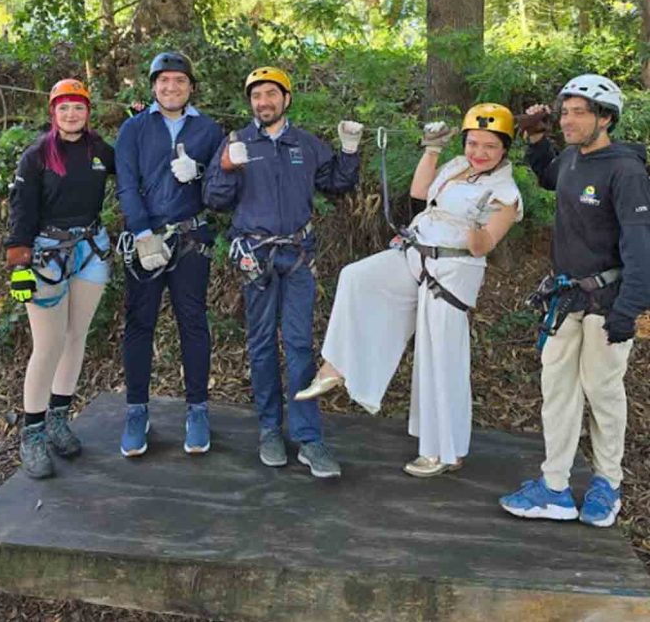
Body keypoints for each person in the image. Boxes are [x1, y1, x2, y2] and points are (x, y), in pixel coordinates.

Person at [295, 104, 523, 477]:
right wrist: (432, 151)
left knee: (439, 356)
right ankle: (336, 366)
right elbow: (420, 193)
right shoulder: (456, 168)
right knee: (357, 277)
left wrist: (472, 224)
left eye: (490, 147)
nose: (479, 153)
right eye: (473, 143)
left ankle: (444, 450)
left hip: (453, 270)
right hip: (416, 253)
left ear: (504, 150)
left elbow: (484, 246)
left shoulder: (505, 192)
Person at [500, 74, 650, 528]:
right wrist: (537, 137)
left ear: (605, 118)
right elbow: (550, 176)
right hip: (565, 298)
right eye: (565, 111)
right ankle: (556, 487)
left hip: (607, 300)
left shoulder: (625, 170)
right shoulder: (569, 158)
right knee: (558, 393)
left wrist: (630, 309)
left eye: (579, 112)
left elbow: (641, 244)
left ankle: (607, 484)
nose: (569, 119)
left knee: (602, 391)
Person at [203, 66, 362, 478]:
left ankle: (308, 438)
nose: (264, 102)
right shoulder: (237, 141)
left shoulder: (305, 145)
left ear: (286, 99)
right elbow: (215, 200)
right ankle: (270, 429)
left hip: (297, 257)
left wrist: (349, 150)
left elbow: (337, 184)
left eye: (271, 94)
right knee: (259, 345)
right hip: (255, 258)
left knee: (299, 345)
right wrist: (224, 166)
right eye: (257, 96)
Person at [115, 52, 223, 458]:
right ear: (153, 86)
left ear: (191, 86)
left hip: (191, 235)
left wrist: (199, 173)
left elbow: (222, 183)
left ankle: (197, 410)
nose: (171, 88)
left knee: (192, 321)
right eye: (163, 81)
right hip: (146, 236)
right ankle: (136, 410)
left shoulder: (208, 130)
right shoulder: (134, 129)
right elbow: (126, 183)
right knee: (140, 322)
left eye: (179, 81)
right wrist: (142, 233)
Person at [6, 79, 115, 479]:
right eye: (64, 108)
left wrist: (142, 123)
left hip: (90, 248)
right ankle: (32, 434)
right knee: (48, 344)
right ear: (53, 113)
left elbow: (137, 168)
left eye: (79, 108)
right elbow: (21, 211)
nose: (72, 115)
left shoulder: (99, 151)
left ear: (89, 112)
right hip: (46, 254)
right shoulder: (37, 156)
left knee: (75, 337)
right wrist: (19, 264)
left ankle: (58, 419)